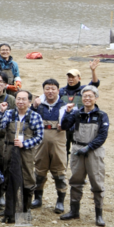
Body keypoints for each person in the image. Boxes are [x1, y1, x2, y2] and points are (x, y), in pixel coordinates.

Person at [60, 86, 108, 226]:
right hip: (77, 149)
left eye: (90, 96)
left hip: (94, 151)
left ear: (96, 98)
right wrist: (67, 112)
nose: (87, 99)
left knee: (97, 182)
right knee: (75, 180)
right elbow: (64, 126)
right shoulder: (76, 114)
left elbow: (102, 136)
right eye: (85, 96)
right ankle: (74, 211)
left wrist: (89, 147)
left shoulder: (101, 115)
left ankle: (99, 214)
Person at [0, 91, 44, 223]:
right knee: (8, 179)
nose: (20, 101)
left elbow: (39, 137)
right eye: (18, 99)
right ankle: (9, 212)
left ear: (29, 102)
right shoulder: (9, 113)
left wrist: (24, 144)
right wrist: (1, 112)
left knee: (27, 180)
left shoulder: (35, 116)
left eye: (23, 99)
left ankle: (24, 212)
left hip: (26, 153)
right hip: (9, 151)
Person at [32, 78, 69, 213]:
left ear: (58, 90)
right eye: (47, 88)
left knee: (59, 173)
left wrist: (68, 116)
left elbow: (72, 124)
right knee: (39, 171)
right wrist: (34, 106)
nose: (50, 91)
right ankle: (38, 198)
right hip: (41, 143)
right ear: (43, 90)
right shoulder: (39, 105)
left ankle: (60, 201)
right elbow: (30, 119)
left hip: (58, 143)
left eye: (53, 89)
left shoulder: (65, 106)